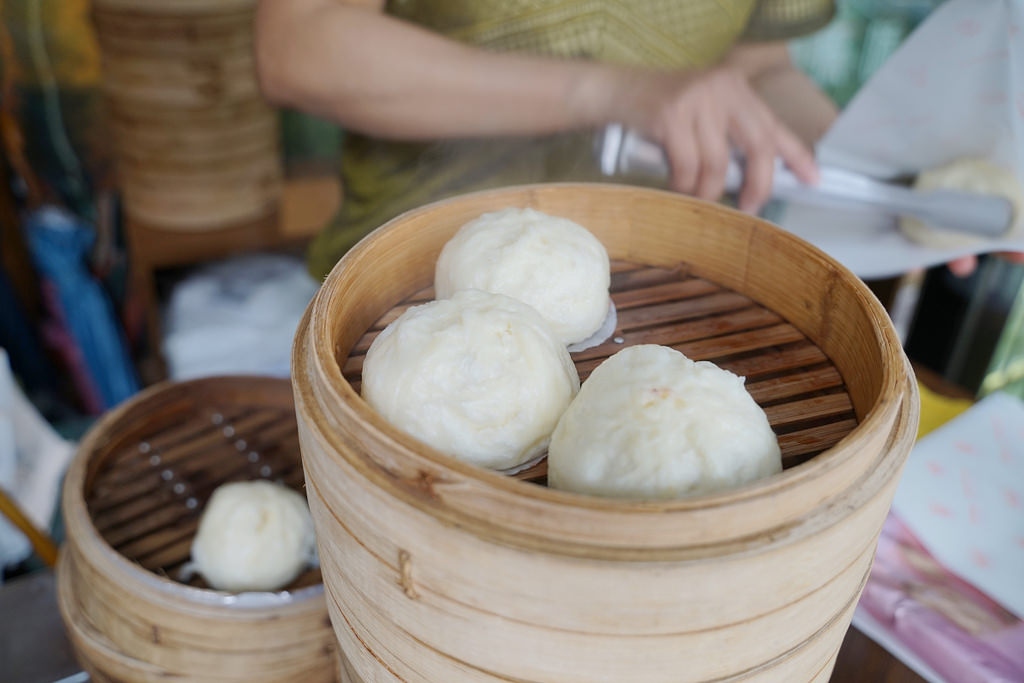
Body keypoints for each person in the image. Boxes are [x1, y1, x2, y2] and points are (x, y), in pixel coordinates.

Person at [254, 0, 842, 279]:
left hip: (670, 278)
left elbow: (762, 67)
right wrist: (605, 92)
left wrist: (884, 173)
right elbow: (297, 47)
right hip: (413, 272)